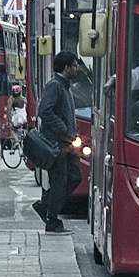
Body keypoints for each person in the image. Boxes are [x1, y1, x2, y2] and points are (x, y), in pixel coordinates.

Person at [33, 53, 86, 232]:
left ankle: (45, 205)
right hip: (57, 143)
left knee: (75, 177)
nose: (77, 69)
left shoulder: (65, 86)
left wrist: (73, 129)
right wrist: (63, 128)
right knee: (60, 180)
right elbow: (44, 111)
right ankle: (52, 219)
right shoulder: (55, 86)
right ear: (66, 68)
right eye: (74, 65)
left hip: (67, 143)